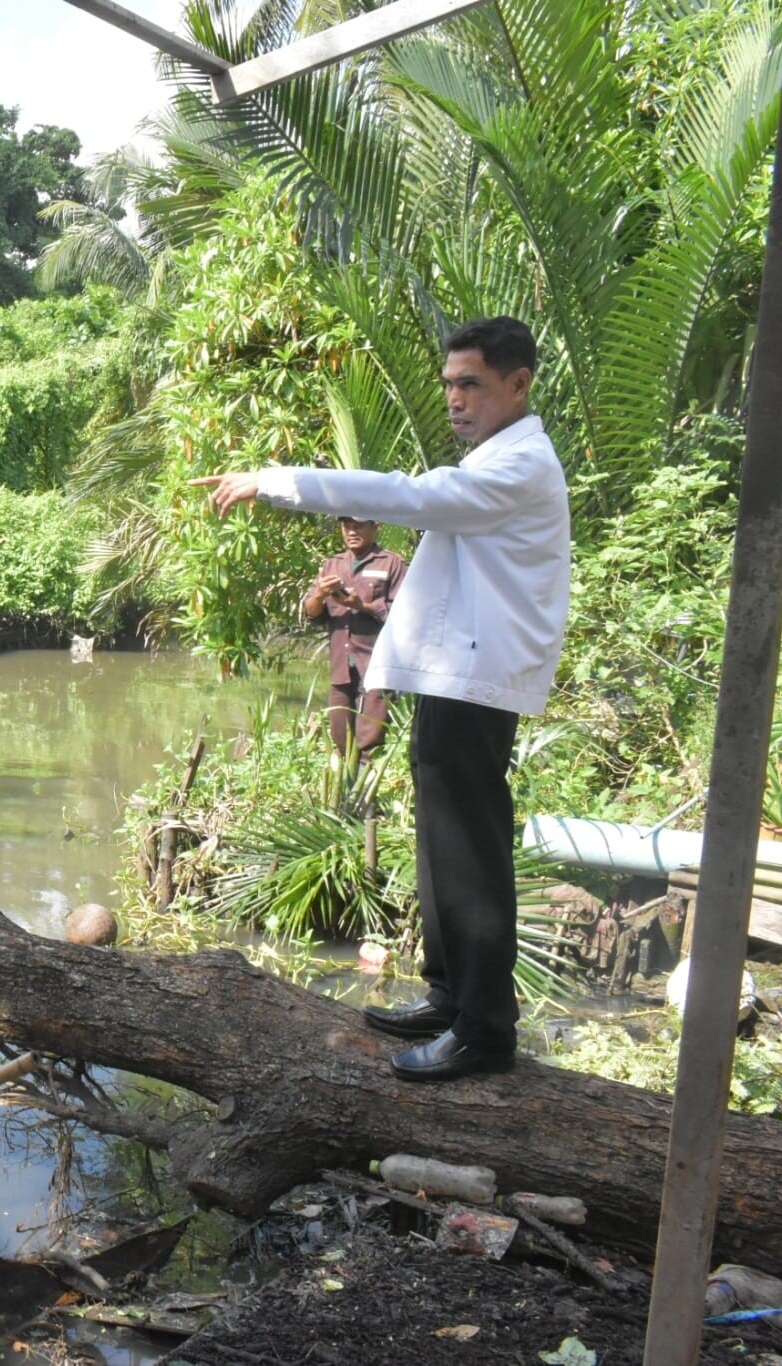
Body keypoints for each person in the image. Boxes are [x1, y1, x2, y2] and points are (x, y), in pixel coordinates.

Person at [192, 317, 569, 1082]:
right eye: (450, 385)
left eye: (472, 384)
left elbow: (402, 495)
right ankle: (449, 998)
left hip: (474, 678)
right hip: (449, 677)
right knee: (440, 847)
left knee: (469, 853)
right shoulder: (494, 458)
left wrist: (276, 480)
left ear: (519, 384)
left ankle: (486, 1031)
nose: (457, 400)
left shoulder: (516, 466)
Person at [301, 516, 406, 761]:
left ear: (376, 527)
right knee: (340, 738)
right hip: (341, 665)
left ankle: (366, 795)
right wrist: (319, 594)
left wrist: (362, 606)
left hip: (377, 665)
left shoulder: (392, 563)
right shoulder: (332, 565)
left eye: (358, 526)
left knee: (370, 742)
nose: (351, 531)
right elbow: (312, 613)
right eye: (346, 526)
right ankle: (344, 796)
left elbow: (405, 615)